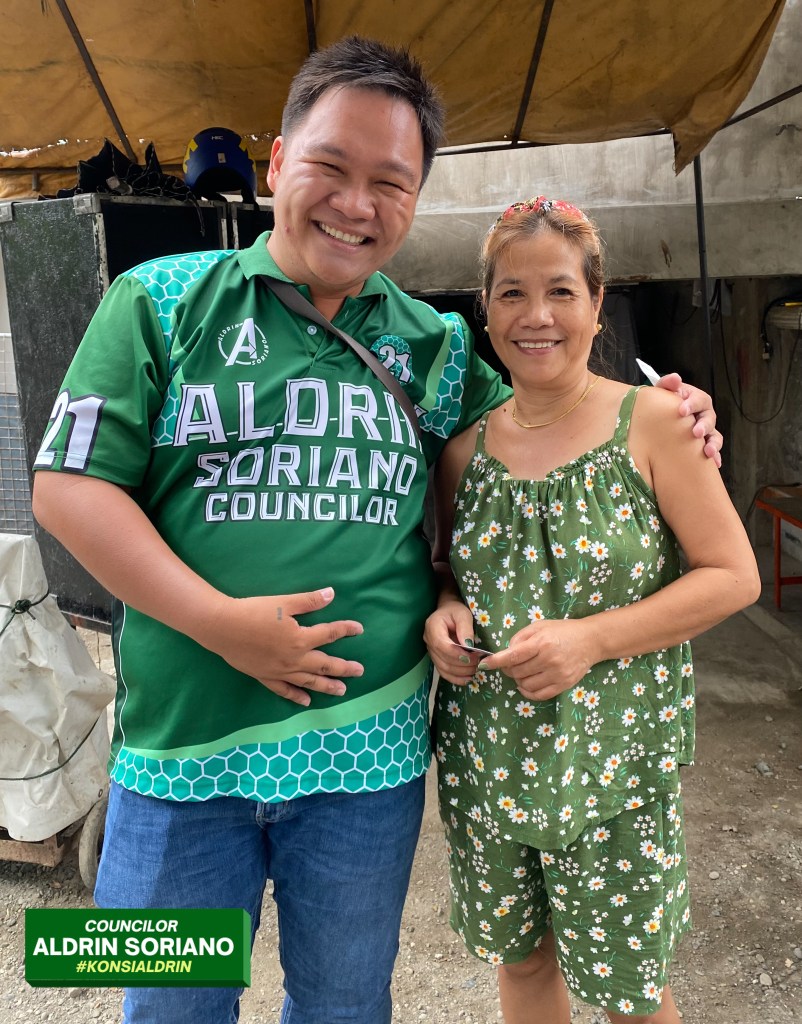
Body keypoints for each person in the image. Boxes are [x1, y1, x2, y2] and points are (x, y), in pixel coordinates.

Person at [31, 36, 722, 1024]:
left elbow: (541, 431)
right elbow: (68, 489)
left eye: (390, 183)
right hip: (181, 753)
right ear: (278, 162)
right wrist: (222, 623)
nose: (356, 205)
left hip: (367, 763)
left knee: (346, 1005)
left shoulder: (432, 345)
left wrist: (666, 413)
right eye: (331, 166)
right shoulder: (158, 300)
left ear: (415, 199)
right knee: (170, 1006)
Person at [423, 196, 760, 1023]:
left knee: (628, 990)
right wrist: (445, 612)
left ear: (597, 303)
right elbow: (453, 574)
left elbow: (733, 575)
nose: (536, 316)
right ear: (485, 309)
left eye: (561, 291)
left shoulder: (656, 422)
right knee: (524, 963)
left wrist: (592, 640)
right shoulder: (464, 452)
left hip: (614, 764)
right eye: (512, 293)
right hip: (489, 761)